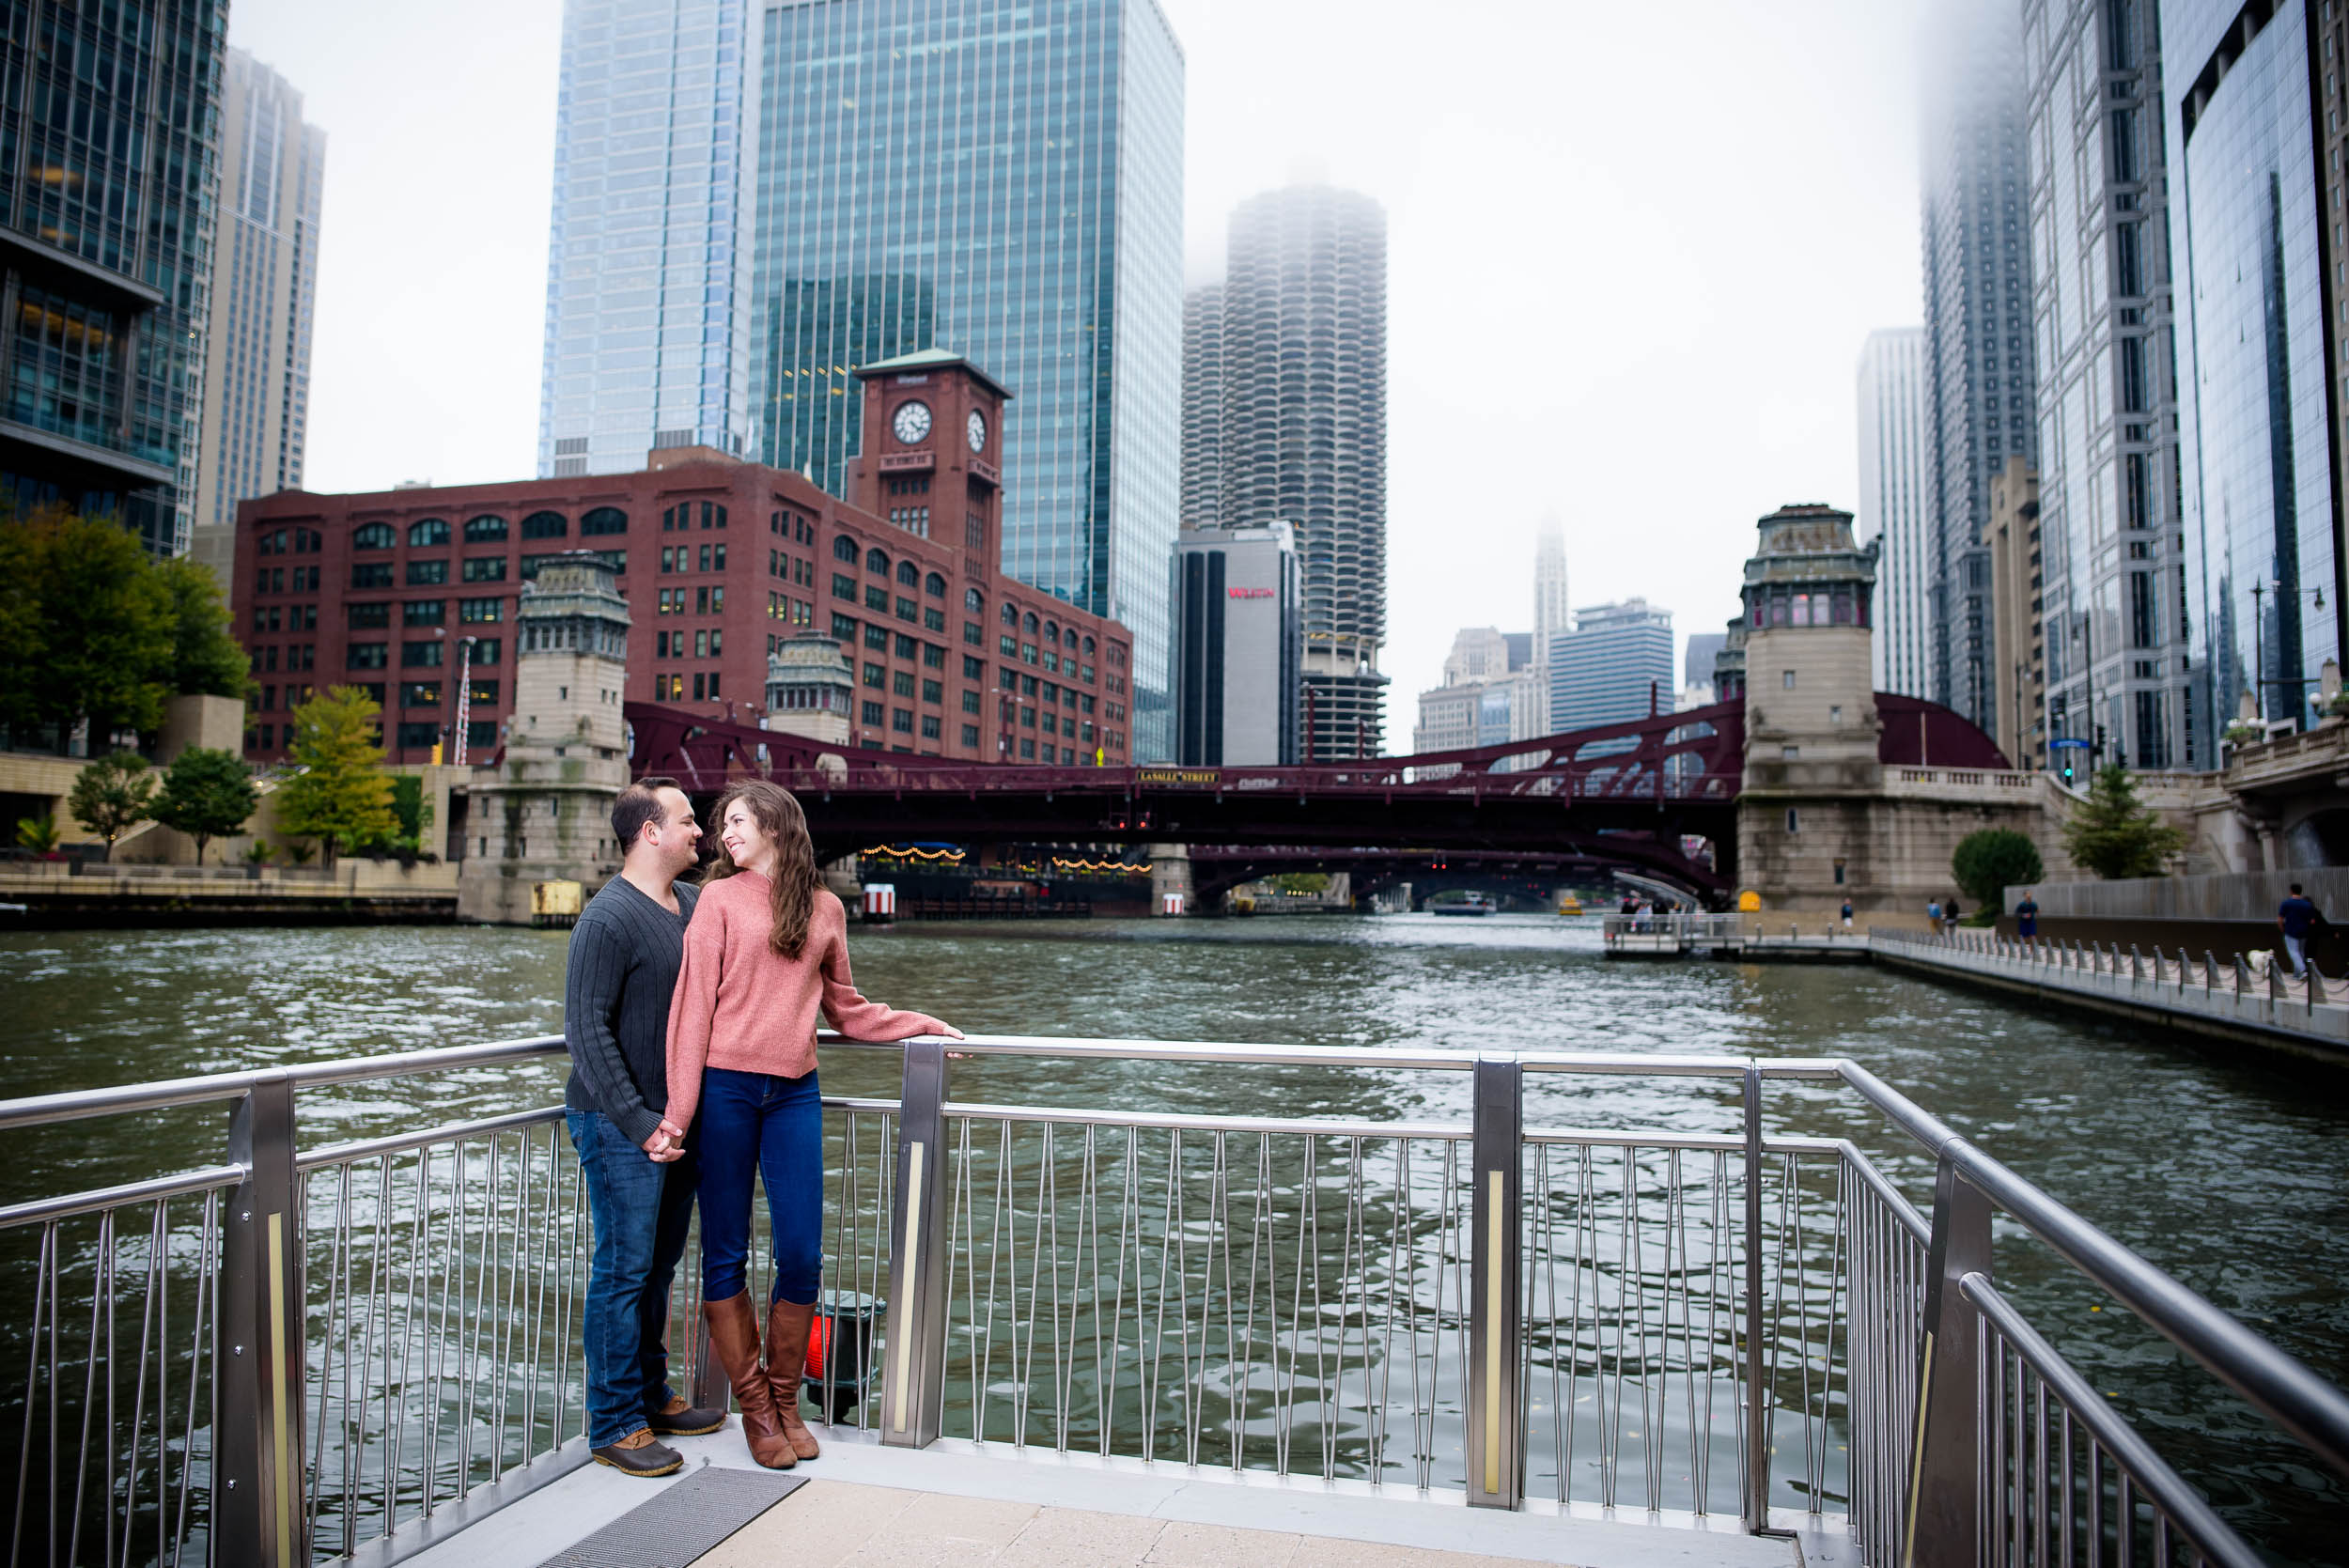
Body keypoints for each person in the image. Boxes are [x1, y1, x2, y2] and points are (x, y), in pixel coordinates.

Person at [661, 781, 961, 1469]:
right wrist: (679, 1114)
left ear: (772, 823)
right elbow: (690, 1014)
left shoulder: (824, 908)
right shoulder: (716, 900)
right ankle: (756, 1408)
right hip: (726, 1089)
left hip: (796, 1091)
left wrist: (923, 1024)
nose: (722, 834)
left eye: (735, 821)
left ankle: (788, 1399)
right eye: (720, 824)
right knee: (726, 1251)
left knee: (801, 1253)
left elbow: (848, 1009)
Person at [563, 778, 726, 1478]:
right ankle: (614, 1422)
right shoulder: (606, 918)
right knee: (622, 1271)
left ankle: (654, 1397)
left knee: (658, 1269)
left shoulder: (691, 905)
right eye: (689, 821)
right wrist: (639, 1122)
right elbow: (587, 1031)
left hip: (677, 1122)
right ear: (650, 832)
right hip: (618, 1123)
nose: (701, 831)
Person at [2278, 882, 2323, 977]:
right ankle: (2297, 975)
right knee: (2301, 952)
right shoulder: (2306, 904)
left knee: (2293, 952)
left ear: (2291, 891)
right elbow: (2312, 920)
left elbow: (2280, 918)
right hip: (2303, 932)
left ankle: (2302, 970)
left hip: (2291, 931)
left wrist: (2282, 928)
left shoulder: (2286, 903)